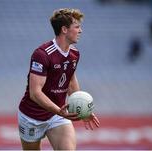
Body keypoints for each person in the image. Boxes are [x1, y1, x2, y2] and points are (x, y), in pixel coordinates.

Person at [18, 8, 100, 150]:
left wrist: (82, 108)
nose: (80, 31)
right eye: (77, 27)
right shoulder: (42, 54)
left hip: (57, 116)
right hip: (32, 116)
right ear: (64, 29)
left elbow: (70, 80)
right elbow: (35, 93)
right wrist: (58, 110)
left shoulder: (74, 53)